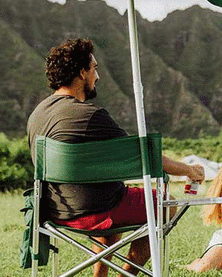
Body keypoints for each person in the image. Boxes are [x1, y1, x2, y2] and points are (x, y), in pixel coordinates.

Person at [27, 38, 205, 277]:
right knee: (163, 204)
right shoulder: (91, 116)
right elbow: (145, 155)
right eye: (94, 69)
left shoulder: (36, 115)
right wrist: (188, 170)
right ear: (82, 72)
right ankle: (126, 275)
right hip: (95, 212)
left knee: (113, 197)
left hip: (54, 211)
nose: (97, 76)